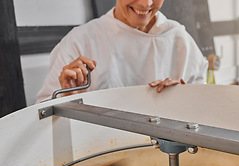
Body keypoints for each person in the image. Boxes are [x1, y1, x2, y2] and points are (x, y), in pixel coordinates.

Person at [36, 0, 208, 102]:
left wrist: (184, 99)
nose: (146, 3)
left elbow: (201, 111)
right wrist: (66, 99)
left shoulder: (180, 40)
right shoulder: (80, 41)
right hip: (101, 158)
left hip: (166, 159)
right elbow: (41, 118)